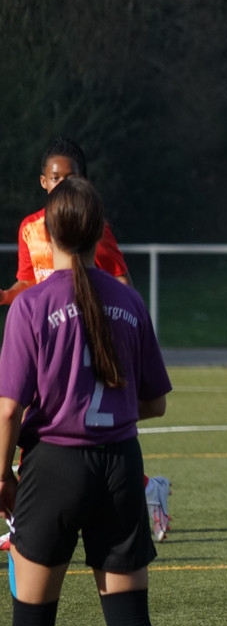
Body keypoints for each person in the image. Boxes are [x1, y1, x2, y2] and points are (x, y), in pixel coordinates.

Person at [0, 176, 183, 626]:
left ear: (48, 234)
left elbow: (9, 410)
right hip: (120, 466)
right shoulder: (130, 302)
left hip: (54, 468)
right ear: (100, 231)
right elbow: (155, 403)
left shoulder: (32, 305)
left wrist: (1, 478)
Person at [0, 137, 172, 550]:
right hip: (45, 331)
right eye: (55, 177)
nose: (62, 184)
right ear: (43, 181)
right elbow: (28, 282)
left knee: (46, 422)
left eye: (70, 177)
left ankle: (25, 525)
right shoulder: (29, 228)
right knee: (47, 422)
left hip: (80, 330)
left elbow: (120, 282)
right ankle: (26, 520)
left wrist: (114, 321)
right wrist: (6, 296)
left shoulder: (94, 229)